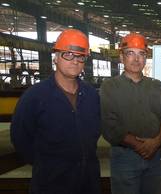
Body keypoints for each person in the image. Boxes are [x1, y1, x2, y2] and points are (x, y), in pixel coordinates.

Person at [10, 29, 101, 194]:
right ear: (56, 58)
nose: (75, 61)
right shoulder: (35, 96)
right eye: (68, 54)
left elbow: (94, 134)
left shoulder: (92, 95)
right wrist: (47, 165)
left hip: (88, 182)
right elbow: (21, 139)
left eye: (80, 56)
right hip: (50, 183)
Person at [100, 33, 161, 194]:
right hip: (125, 158)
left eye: (141, 54)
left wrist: (156, 143)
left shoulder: (157, 87)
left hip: (156, 158)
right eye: (130, 53)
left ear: (146, 58)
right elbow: (109, 125)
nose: (136, 59)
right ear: (121, 57)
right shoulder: (109, 87)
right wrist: (141, 146)